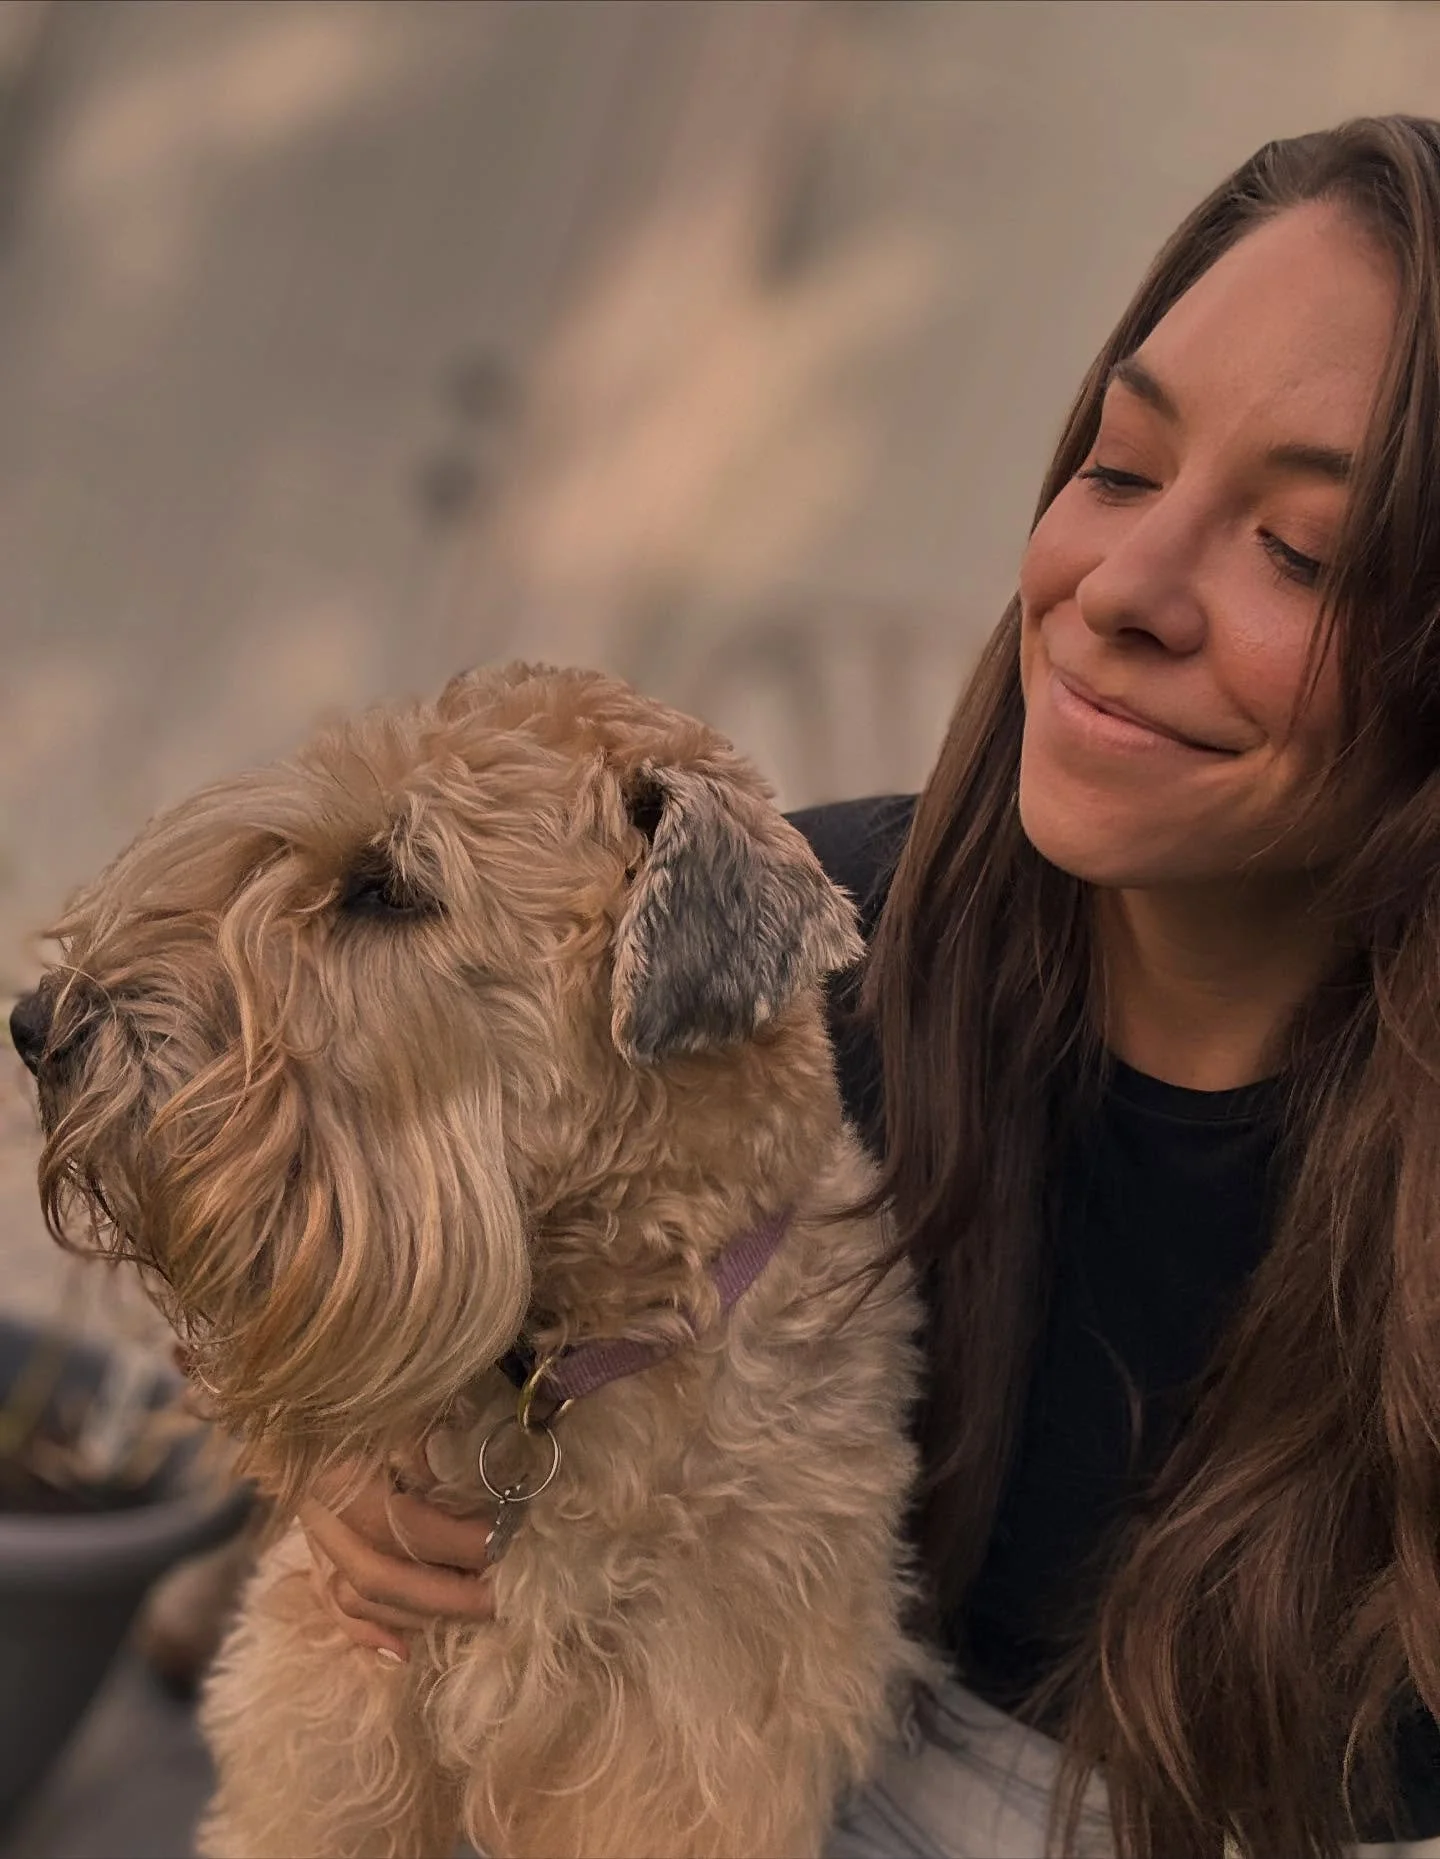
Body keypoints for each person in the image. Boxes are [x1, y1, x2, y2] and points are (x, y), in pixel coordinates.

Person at [296, 118, 1440, 1857]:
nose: (1120, 588)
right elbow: (368, 1255)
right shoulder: (780, 970)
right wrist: (377, 1456)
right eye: (1122, 466)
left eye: (1303, 553)